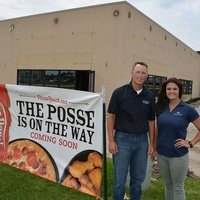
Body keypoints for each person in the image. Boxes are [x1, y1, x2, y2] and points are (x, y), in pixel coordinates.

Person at [107, 61, 155, 200]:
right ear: (132, 73)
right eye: (138, 72)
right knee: (119, 181)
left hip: (141, 141)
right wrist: (111, 141)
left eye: (143, 73)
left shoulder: (150, 96)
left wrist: (151, 144)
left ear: (146, 75)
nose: (140, 75)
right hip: (122, 140)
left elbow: (151, 122)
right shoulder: (119, 92)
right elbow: (111, 117)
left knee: (137, 180)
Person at [155, 77, 200, 200]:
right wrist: (154, 148)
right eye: (168, 89)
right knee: (168, 186)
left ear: (180, 90)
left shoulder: (187, 109)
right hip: (162, 154)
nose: (171, 91)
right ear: (165, 91)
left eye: (175, 89)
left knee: (178, 187)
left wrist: (190, 143)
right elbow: (157, 129)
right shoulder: (160, 107)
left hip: (178, 155)